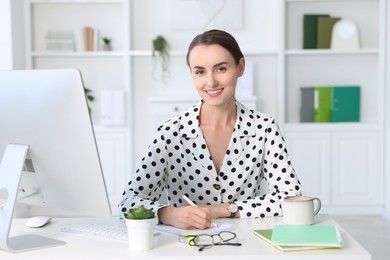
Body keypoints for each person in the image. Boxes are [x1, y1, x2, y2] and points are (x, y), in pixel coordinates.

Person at [119, 29, 302, 230]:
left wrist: (222, 209)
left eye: (221, 69)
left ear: (240, 67)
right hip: (183, 246)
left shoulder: (264, 128)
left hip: (245, 244)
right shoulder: (170, 132)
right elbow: (129, 201)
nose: (211, 81)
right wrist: (168, 214)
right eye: (200, 72)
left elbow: (291, 198)